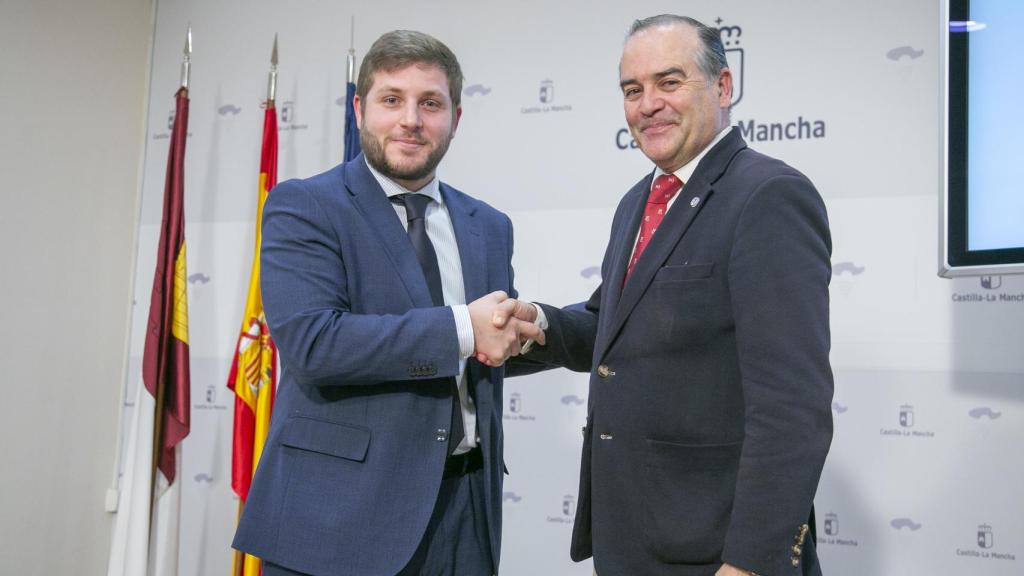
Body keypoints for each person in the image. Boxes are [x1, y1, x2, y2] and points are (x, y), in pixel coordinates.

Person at [495, 14, 833, 576]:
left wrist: (749, 563)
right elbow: (613, 325)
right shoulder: (639, 200)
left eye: (669, 82)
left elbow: (793, 408)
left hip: (715, 549)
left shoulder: (769, 195)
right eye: (633, 90)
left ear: (723, 87)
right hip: (632, 539)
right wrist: (538, 323)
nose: (647, 103)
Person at [233, 29, 542, 576]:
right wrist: (463, 330)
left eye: (431, 103)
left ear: (456, 117)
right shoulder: (305, 205)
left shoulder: (489, 226)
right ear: (359, 108)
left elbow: (486, 345)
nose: (411, 120)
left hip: (464, 511)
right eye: (391, 99)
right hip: (337, 519)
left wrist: (537, 328)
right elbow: (314, 344)